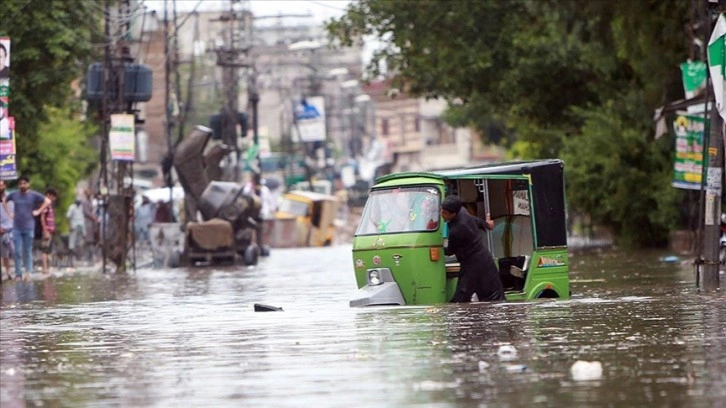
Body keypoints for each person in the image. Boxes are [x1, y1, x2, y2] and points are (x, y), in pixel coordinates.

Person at [440, 195, 504, 302]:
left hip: (474, 265)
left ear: (453, 213)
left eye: (445, 213)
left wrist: (437, 247)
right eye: (442, 210)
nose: (442, 214)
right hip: (481, 261)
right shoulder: (462, 211)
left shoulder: (458, 229)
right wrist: (486, 224)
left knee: (492, 297)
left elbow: (450, 251)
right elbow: (475, 220)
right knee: (490, 297)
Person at [2, 175, 52, 280]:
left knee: (28, 251)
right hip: (16, 228)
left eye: (24, 183)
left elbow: (48, 201)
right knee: (17, 251)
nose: (22, 185)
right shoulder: (14, 194)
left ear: (28, 184)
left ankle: (28, 273)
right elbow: (4, 200)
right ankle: (18, 274)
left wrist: (38, 211)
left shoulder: (33, 195)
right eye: (20, 184)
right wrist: (9, 213)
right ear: (18, 185)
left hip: (29, 227)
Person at [39, 188, 58, 275]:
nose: (54, 199)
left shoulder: (49, 205)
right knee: (45, 250)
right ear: (49, 195)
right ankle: (45, 268)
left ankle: (47, 267)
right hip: (46, 231)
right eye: (53, 197)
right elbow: (42, 219)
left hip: (50, 231)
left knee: (48, 250)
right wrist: (45, 231)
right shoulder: (45, 205)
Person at [0, 180, 14, 280]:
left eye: (2, 185)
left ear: (5, 185)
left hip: (11, 228)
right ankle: (4, 272)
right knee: (3, 253)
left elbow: (14, 211)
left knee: (11, 252)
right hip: (1, 228)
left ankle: (11, 272)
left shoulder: (11, 196)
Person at [81, 189, 99, 264]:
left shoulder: (91, 202)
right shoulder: (85, 202)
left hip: (92, 223)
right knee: (89, 240)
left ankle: (90, 256)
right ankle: (89, 256)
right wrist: (93, 217)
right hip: (88, 222)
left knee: (92, 240)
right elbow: (86, 212)